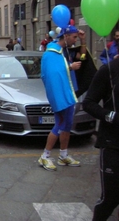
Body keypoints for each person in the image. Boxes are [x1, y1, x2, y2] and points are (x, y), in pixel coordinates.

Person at [38, 25, 86, 171]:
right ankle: (44, 156)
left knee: (67, 124)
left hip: (68, 91)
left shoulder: (65, 50)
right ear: (66, 36)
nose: (75, 39)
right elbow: (51, 73)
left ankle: (63, 155)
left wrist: (83, 41)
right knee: (60, 124)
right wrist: (70, 68)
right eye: (74, 37)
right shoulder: (51, 53)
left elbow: (82, 57)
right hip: (60, 94)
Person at [83, 59, 119, 221]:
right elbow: (89, 103)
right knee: (110, 199)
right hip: (113, 143)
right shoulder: (109, 70)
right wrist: (110, 116)